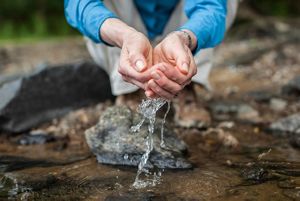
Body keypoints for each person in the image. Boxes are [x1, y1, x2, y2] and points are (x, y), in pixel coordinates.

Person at [64, 0, 238, 127]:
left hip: (181, 22)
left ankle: (185, 81)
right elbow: (78, 4)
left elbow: (210, 6)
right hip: (124, 21)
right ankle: (129, 88)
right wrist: (124, 36)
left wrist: (186, 38)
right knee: (94, 12)